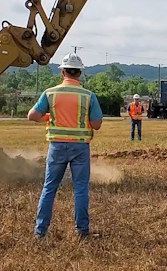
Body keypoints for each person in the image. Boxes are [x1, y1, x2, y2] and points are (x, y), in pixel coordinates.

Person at [27, 52, 103, 240]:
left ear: (63, 73)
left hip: (57, 147)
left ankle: (40, 232)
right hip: (80, 148)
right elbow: (97, 124)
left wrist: (49, 116)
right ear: (79, 73)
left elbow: (32, 116)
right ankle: (82, 231)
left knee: (49, 188)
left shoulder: (50, 93)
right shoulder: (88, 96)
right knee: (81, 189)